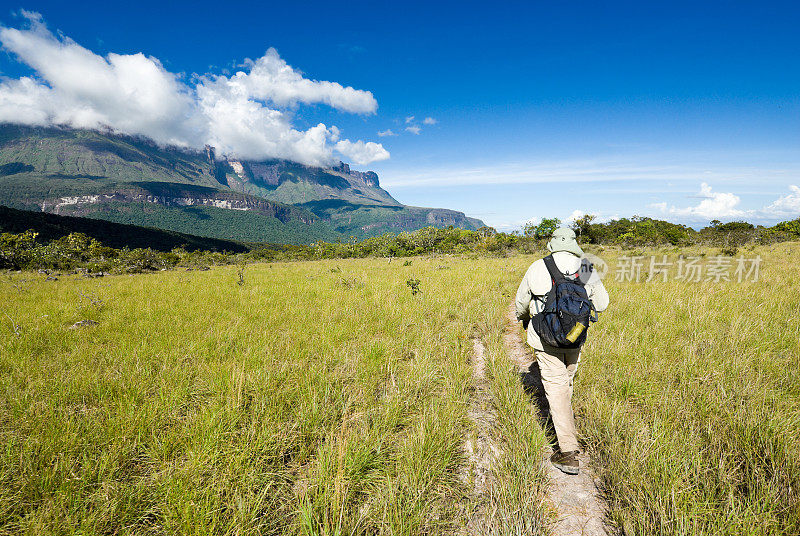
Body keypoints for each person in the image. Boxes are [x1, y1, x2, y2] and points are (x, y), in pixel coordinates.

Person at [515, 227, 609, 475]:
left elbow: (522, 303)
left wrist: (523, 318)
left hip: (545, 337)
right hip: (575, 335)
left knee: (556, 388)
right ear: (574, 244)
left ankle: (567, 452)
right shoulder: (586, 266)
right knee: (566, 381)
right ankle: (566, 425)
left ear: (552, 244)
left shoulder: (538, 266)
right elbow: (602, 303)